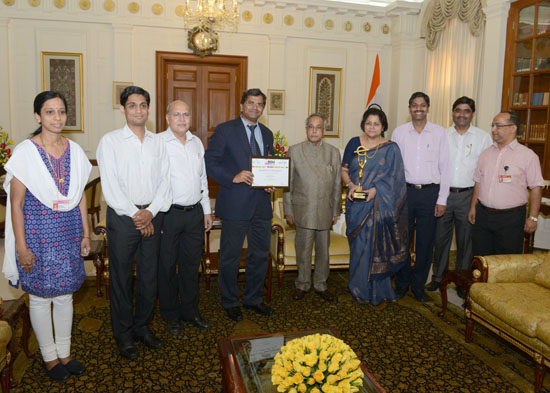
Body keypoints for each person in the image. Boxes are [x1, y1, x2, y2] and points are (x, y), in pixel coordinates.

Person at [3, 91, 91, 381]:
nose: (57, 117)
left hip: (68, 234)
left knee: (65, 296)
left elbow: (79, 197)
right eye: (50, 112)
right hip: (37, 236)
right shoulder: (26, 152)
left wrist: (86, 234)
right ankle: (49, 358)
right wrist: (22, 248)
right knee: (40, 298)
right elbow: (15, 203)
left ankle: (64, 353)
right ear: (38, 116)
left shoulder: (74, 151)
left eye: (61, 111)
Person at [96, 86, 171, 360]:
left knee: (150, 278)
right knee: (121, 279)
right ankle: (124, 334)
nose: (138, 110)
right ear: (122, 109)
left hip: (153, 215)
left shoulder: (159, 142)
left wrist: (150, 212)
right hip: (123, 219)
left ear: (148, 109)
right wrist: (138, 216)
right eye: (132, 105)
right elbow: (111, 187)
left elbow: (166, 183)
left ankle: (142, 327)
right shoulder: (110, 141)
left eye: (142, 105)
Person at [205, 88, 275, 322]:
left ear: (263, 108)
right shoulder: (225, 130)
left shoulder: (267, 133)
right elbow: (210, 162)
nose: (255, 107)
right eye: (251, 103)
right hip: (235, 203)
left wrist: (271, 183)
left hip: (262, 205)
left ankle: (253, 299)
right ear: (242, 105)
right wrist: (232, 175)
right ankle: (230, 301)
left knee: (259, 256)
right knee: (230, 257)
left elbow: (269, 164)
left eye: (260, 104)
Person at [341, 105, 409, 305]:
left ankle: (381, 290)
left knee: (377, 246)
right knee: (359, 246)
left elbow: (396, 180)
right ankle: (359, 288)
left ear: (383, 126)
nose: (371, 127)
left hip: (380, 206)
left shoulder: (391, 148)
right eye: (368, 123)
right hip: (356, 204)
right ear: (363, 125)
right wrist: (351, 185)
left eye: (376, 124)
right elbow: (344, 169)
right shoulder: (354, 143)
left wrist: (376, 191)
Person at [426, 97, 492, 297]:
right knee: (441, 239)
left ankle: (462, 281)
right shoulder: (442, 135)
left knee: (465, 242)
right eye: (457, 110)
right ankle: (438, 277)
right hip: (443, 194)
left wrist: (476, 202)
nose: (461, 114)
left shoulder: (483, 137)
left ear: (472, 113)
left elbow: (485, 171)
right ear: (452, 112)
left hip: (468, 196)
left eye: (466, 111)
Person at [158, 100, 212, 334]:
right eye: (176, 114)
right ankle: (170, 315)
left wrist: (207, 209)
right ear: (167, 117)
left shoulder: (196, 142)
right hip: (168, 214)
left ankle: (190, 311)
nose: (182, 119)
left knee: (191, 267)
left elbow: (203, 179)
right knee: (167, 267)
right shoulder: (157, 142)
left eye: (186, 115)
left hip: (194, 214)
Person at [391, 92, 450, 302]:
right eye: (414, 105)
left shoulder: (440, 133)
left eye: (422, 105)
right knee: (402, 244)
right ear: (409, 109)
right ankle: (401, 284)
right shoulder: (399, 133)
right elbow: (393, 167)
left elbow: (446, 168)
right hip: (405, 193)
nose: (418, 108)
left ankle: (418, 287)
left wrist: (442, 200)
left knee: (425, 243)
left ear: (428, 108)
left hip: (429, 194)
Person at [283, 114, 341, 302]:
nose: (314, 131)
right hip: (303, 209)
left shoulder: (333, 152)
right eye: (311, 127)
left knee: (323, 250)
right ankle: (302, 284)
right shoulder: (294, 150)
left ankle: (321, 284)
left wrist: (335, 210)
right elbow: (288, 183)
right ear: (306, 129)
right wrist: (288, 209)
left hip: (325, 209)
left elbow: (337, 184)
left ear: (324, 131)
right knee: (304, 249)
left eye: (318, 127)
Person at [468, 111, 543, 256]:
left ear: (513, 128)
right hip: (483, 216)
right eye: (493, 125)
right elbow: (478, 182)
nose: (493, 129)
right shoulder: (486, 153)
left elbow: (536, 187)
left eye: (498, 126)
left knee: (506, 262)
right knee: (480, 260)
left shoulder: (528, 156)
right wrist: (473, 207)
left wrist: (533, 217)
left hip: (511, 219)